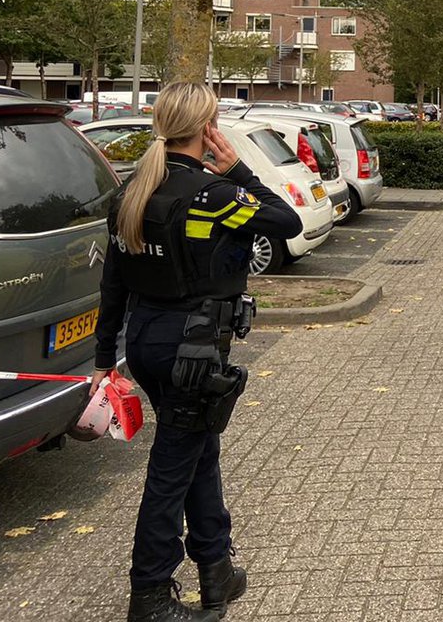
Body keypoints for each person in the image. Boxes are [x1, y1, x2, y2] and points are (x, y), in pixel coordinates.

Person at [93, 82, 303, 622]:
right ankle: (150, 597)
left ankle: (216, 568)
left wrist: (102, 362)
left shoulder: (131, 193)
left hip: (145, 344)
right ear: (208, 127)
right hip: (193, 350)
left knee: (195, 452)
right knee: (170, 471)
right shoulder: (212, 194)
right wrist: (237, 170)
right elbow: (286, 222)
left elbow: (112, 285)